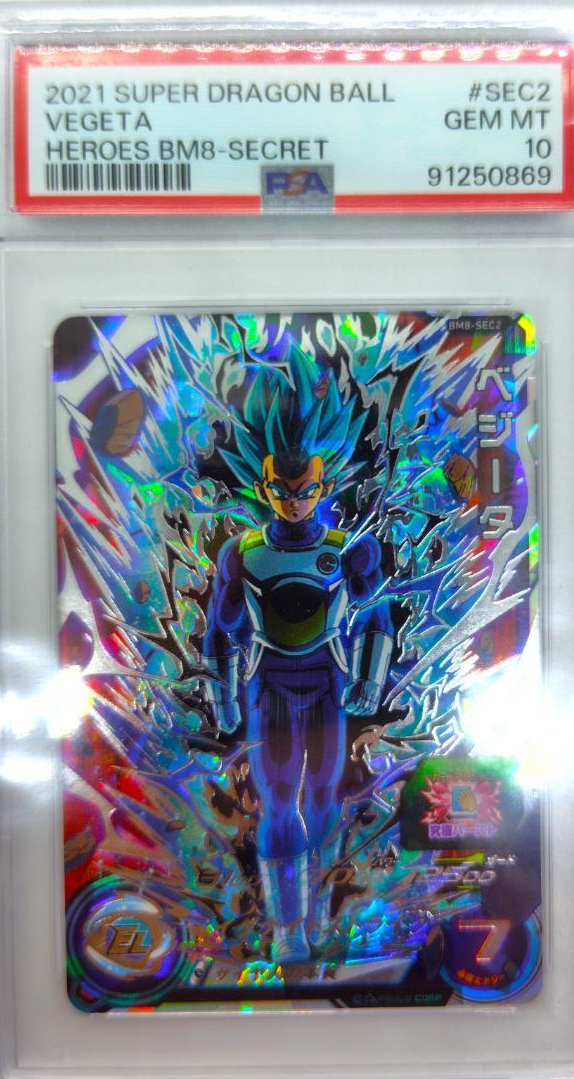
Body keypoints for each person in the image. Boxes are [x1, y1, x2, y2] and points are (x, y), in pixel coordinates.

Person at [203, 352, 392, 962]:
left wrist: (370, 680)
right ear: (263, 489)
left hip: (328, 684)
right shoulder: (244, 552)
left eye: (304, 490)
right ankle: (288, 927)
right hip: (271, 686)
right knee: (281, 801)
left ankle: (320, 914)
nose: (293, 501)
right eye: (282, 492)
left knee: (323, 799)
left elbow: (378, 619)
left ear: (323, 487)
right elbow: (221, 630)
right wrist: (224, 699)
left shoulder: (349, 549)